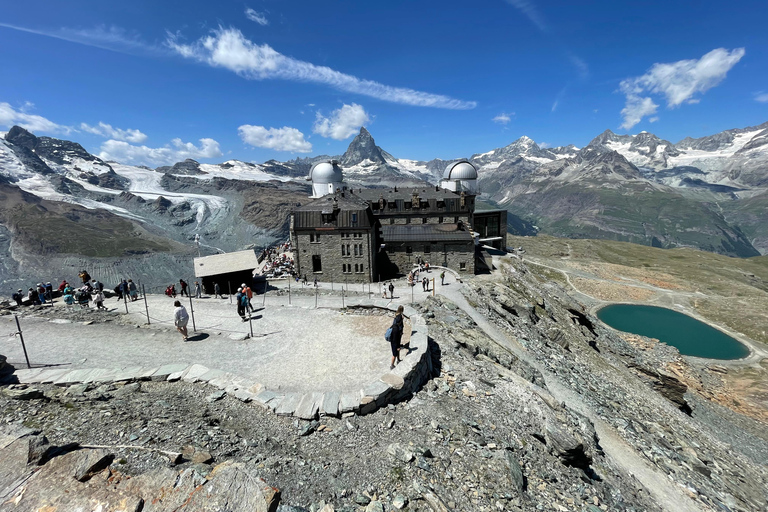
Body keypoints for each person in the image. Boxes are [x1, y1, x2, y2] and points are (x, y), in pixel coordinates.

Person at [389, 305, 405, 370]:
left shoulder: (394, 327)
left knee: (397, 351)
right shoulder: (397, 330)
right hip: (395, 343)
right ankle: (392, 365)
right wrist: (398, 346)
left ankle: (398, 360)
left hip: (394, 342)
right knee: (394, 354)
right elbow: (396, 339)